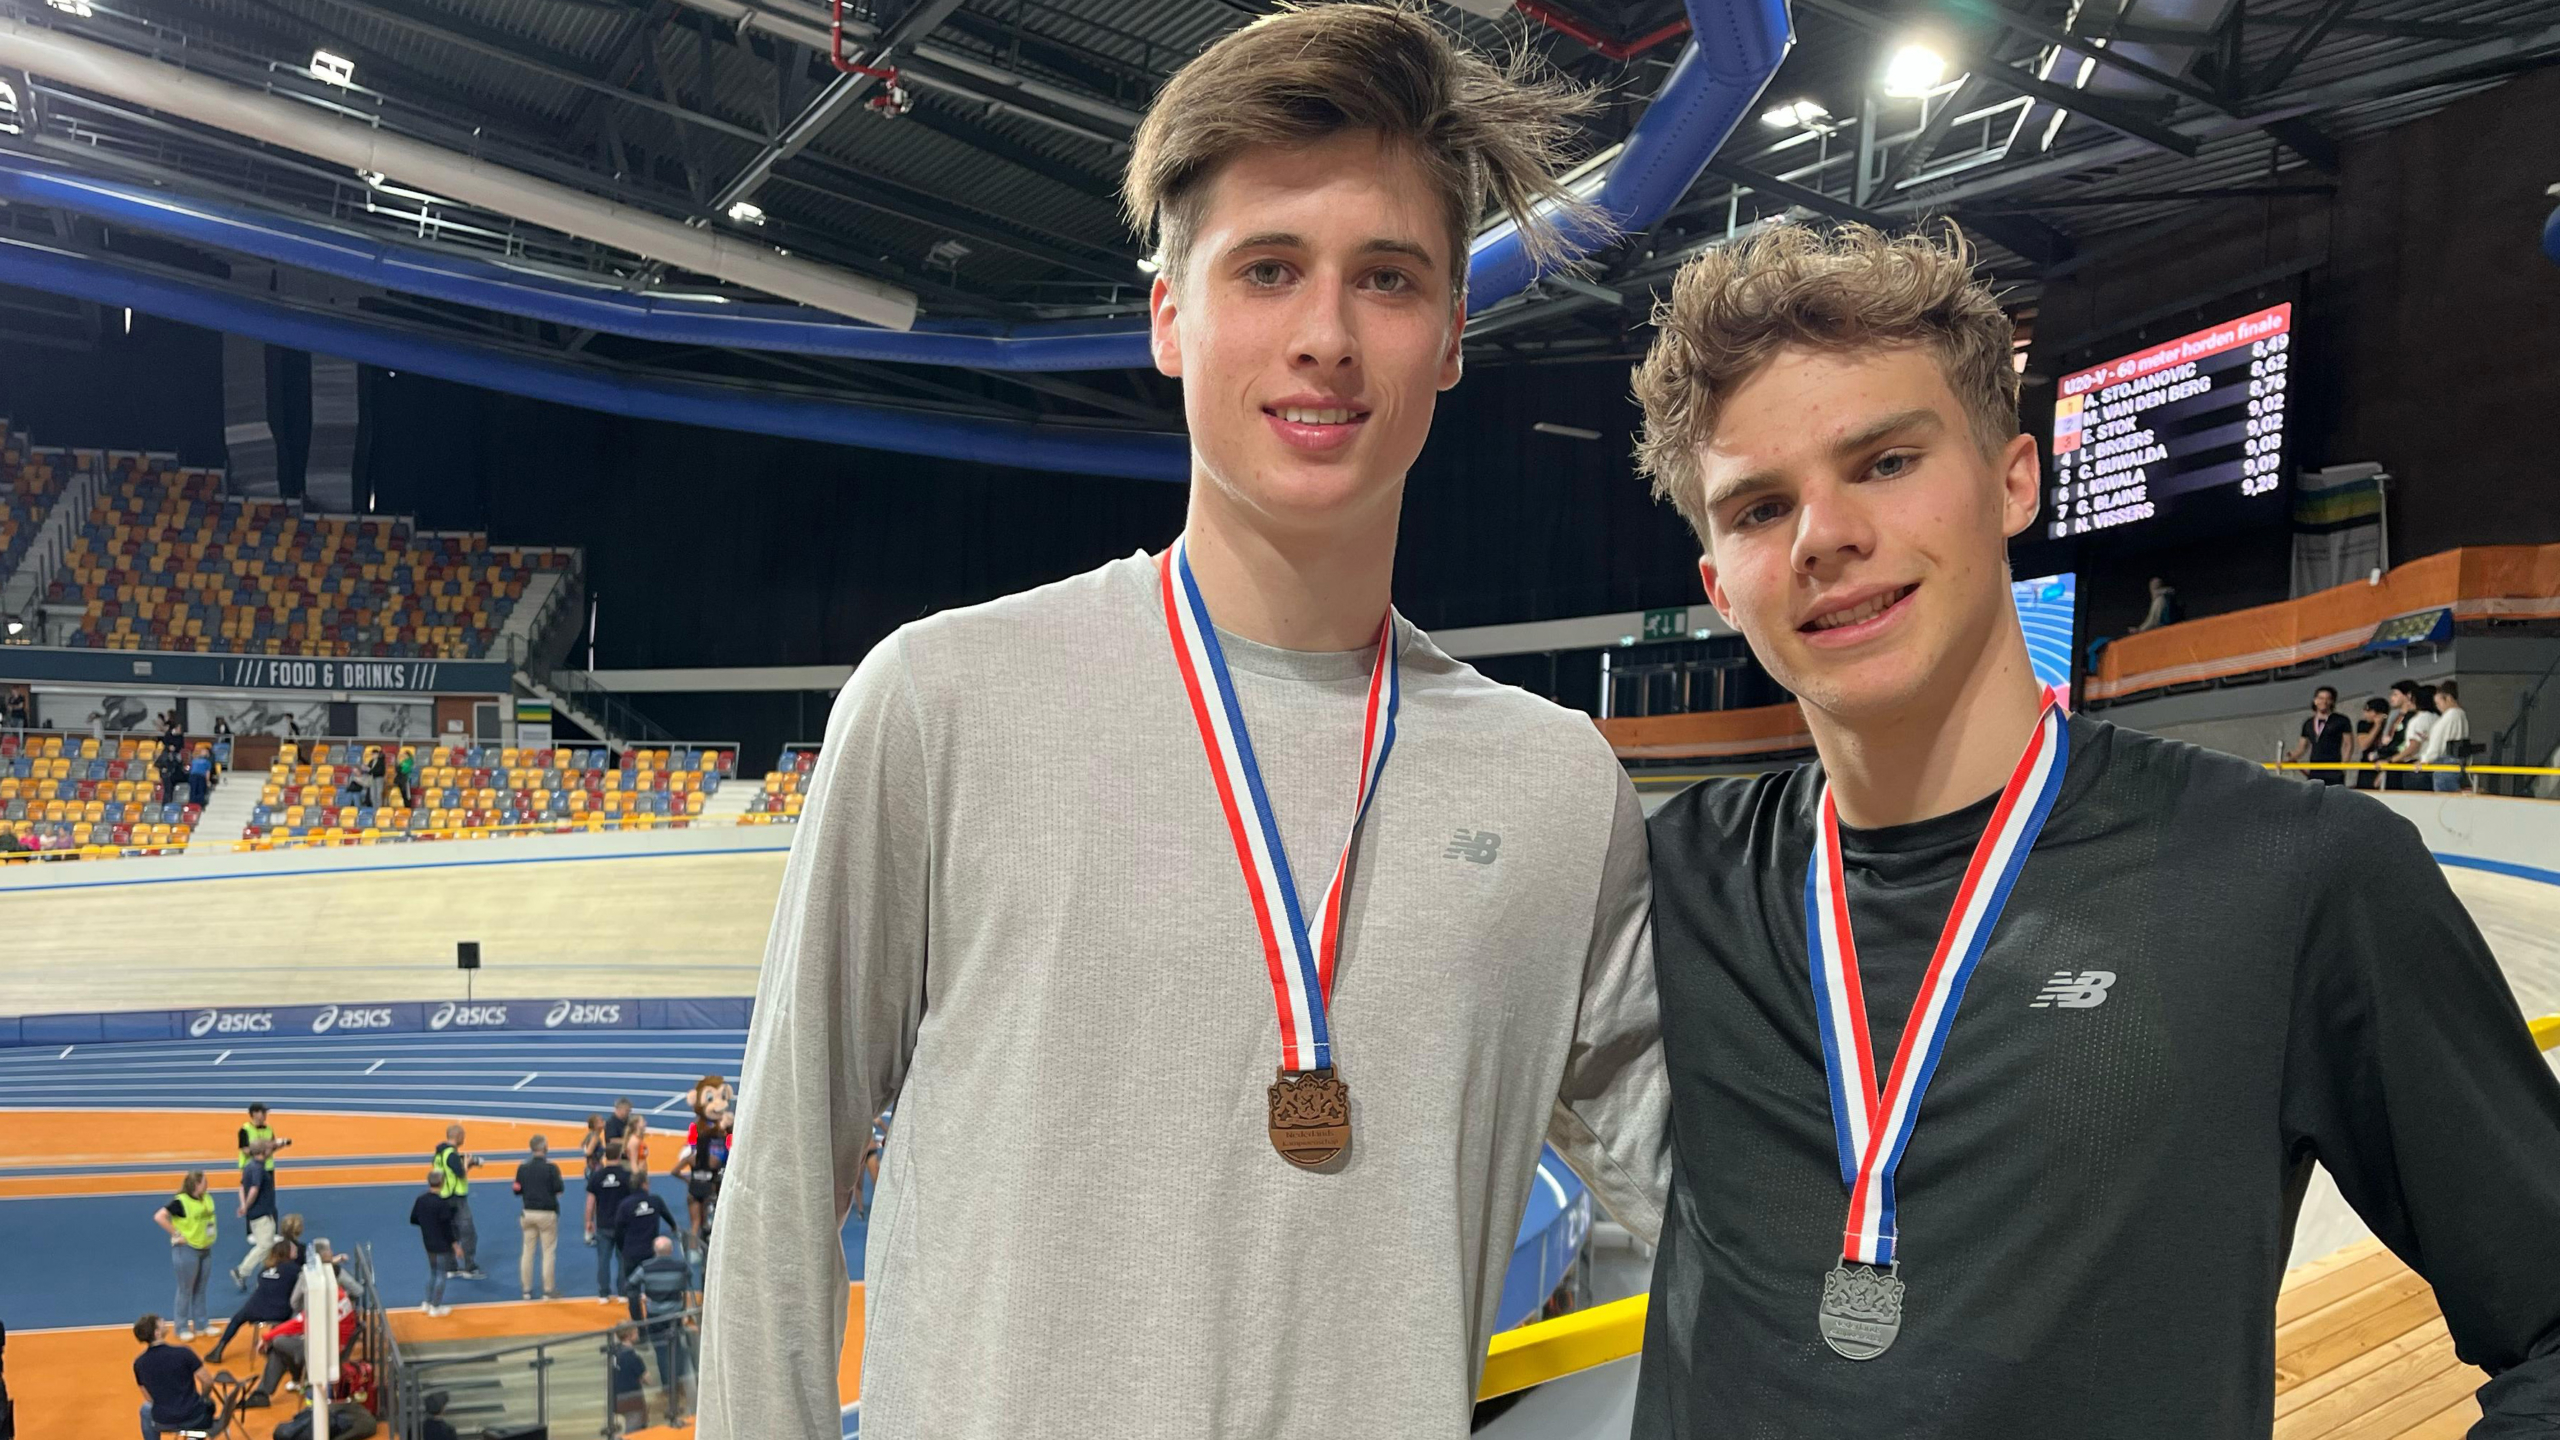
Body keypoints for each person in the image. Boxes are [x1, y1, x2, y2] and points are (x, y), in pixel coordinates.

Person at [698, 9, 1667, 1437]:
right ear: (1170, 315)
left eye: (1387, 280)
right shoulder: (942, 704)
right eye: (1267, 270)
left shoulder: (1555, 788)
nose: (1326, 336)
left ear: (1453, 334)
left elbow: (1736, 1201)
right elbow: (782, 1195)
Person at [1625, 220, 2560, 1434]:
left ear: (2014, 478)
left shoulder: (2292, 874)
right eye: (1755, 508)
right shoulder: (1674, 875)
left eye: (1886, 461)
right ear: (1717, 582)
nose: (1822, 536)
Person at [206, 1217, 300, 1362]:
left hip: (254, 1308)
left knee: (237, 1319)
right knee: (295, 1315)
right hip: (279, 1312)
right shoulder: (294, 1269)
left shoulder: (264, 1269)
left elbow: (260, 1287)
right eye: (293, 1249)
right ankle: (278, 1351)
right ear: (288, 1253)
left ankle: (219, 1349)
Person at [627, 1236, 694, 1426]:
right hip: (675, 1315)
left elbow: (631, 1284)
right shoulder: (680, 1266)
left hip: (656, 1316)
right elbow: (688, 1278)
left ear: (655, 1251)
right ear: (671, 1250)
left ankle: (668, 1385)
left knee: (661, 1350)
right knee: (677, 1348)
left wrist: (640, 1308)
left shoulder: (646, 1267)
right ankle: (678, 1382)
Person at [152, 1168, 218, 1341]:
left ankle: (202, 1324)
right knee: (185, 1289)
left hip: (205, 1248)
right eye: (205, 1181)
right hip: (187, 1250)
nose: (207, 1183)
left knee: (201, 1288)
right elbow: (160, 1216)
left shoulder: (206, 1198)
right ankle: (181, 1327)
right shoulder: (180, 1202)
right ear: (197, 1184)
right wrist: (176, 1234)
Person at [133, 1314, 215, 1438]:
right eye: (161, 1322)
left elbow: (149, 1398)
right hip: (194, 1417)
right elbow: (207, 1381)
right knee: (207, 1406)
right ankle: (194, 1435)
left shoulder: (139, 1363)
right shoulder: (184, 1353)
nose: (164, 1321)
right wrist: (204, 1398)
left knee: (145, 1409)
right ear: (157, 1333)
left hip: (163, 1421)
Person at [429, 1123, 485, 1278]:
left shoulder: (439, 1154)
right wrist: (468, 1164)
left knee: (450, 1232)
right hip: (456, 1198)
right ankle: (470, 1267)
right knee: (468, 1233)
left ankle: (450, 1267)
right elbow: (460, 1174)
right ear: (458, 1136)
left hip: (443, 1197)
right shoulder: (451, 1155)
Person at [514, 1134, 565, 1300]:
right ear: (544, 1148)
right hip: (547, 1213)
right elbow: (559, 1189)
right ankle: (548, 1290)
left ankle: (526, 1290)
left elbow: (516, 1190)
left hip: (528, 1212)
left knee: (527, 1251)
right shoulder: (551, 1168)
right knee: (548, 1252)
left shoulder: (522, 1168)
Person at [585, 1139, 634, 1302]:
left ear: (606, 1156)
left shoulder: (598, 1176)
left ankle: (603, 1294)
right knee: (623, 1260)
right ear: (620, 1155)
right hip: (623, 1226)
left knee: (603, 1260)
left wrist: (588, 1222)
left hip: (603, 1224)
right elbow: (633, 1200)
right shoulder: (627, 1176)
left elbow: (590, 1202)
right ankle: (622, 1293)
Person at [408, 1174, 462, 1318]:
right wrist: (456, 1245)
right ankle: (435, 1306)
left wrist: (427, 1224)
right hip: (441, 1245)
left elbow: (413, 1219)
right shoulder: (441, 1204)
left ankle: (427, 1302)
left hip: (428, 1242)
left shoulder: (421, 1200)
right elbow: (447, 1228)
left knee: (433, 1272)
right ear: (442, 1183)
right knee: (440, 1275)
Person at [231, 1139, 281, 1289]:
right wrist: (246, 1205)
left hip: (255, 1213)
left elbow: (241, 1187)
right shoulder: (259, 1169)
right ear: (263, 1151)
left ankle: (263, 1279)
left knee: (265, 1246)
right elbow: (254, 1189)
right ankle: (241, 1271)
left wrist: (243, 1205)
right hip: (262, 1214)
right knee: (265, 1246)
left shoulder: (249, 1167)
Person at [2285, 684, 2353, 784]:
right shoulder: (2308, 723)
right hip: (2315, 769)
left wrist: (2343, 766)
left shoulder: (2341, 720)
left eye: (2328, 698)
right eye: (2321, 698)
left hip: (2334, 768)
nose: (2324, 702)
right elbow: (2302, 747)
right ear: (2315, 700)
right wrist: (2291, 758)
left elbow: (2349, 744)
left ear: (2332, 701)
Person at [616, 1170, 670, 1289]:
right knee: (653, 1286)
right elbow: (669, 1218)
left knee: (631, 1287)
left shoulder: (625, 1205)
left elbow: (619, 1230)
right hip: (650, 1252)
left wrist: (623, 1248)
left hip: (631, 1252)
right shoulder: (655, 1201)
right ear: (644, 1185)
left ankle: (634, 1306)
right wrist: (675, 1228)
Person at [2385, 679, 2438, 792]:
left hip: (2416, 766)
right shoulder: (2436, 718)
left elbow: (2413, 746)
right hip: (2432, 765)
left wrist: (2391, 760)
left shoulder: (2418, 720)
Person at [607, 1325, 650, 1437]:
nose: (638, 1335)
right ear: (629, 1336)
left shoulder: (613, 1352)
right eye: (636, 1333)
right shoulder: (633, 1357)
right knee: (634, 1430)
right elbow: (647, 1379)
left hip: (615, 1397)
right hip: (631, 1398)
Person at [2429, 680, 2470, 793]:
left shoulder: (2451, 715)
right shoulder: (2461, 715)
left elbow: (2438, 741)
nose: (2438, 707)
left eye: (2439, 703)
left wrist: (2426, 759)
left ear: (2448, 698)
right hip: (2456, 761)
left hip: (2445, 763)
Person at [2351, 696, 2391, 790]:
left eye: (2368, 711)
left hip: (2385, 763)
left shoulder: (2390, 725)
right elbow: (2364, 745)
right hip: (2368, 766)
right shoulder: (2363, 724)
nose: (2365, 714)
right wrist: (2377, 726)